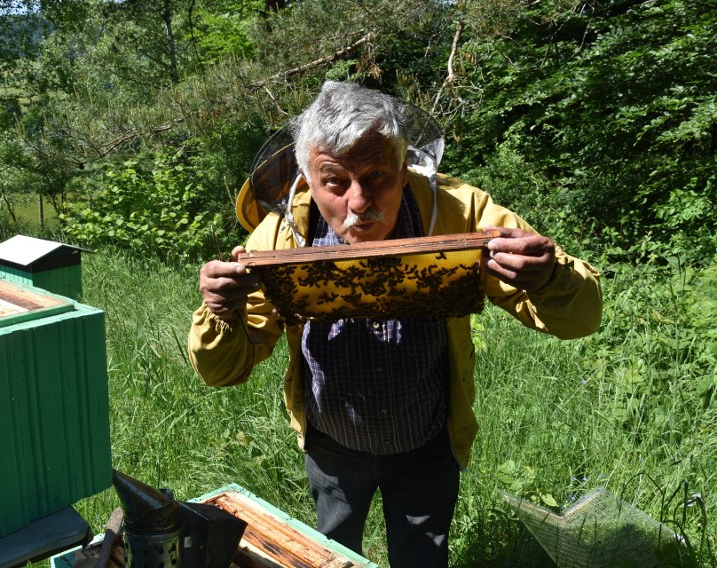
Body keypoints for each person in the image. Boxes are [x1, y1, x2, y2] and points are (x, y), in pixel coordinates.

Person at [187, 81, 602, 567]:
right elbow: (221, 370)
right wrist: (221, 312)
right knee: (333, 553)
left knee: (422, 557)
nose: (358, 201)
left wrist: (548, 276)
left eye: (377, 176)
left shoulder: (459, 212)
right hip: (333, 445)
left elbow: (581, 318)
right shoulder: (281, 233)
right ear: (307, 179)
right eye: (336, 183)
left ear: (404, 170)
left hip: (426, 440)